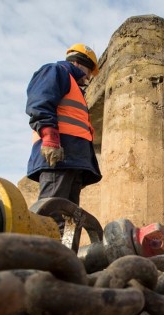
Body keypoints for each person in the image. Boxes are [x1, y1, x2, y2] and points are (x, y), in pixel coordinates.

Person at [25, 43, 102, 211]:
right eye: (89, 72)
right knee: (51, 213)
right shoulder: (56, 71)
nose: (88, 78)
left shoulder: (75, 88)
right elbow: (39, 103)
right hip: (59, 156)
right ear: (78, 63)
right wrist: (49, 137)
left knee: (70, 218)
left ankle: (61, 239)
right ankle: (41, 238)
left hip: (74, 160)